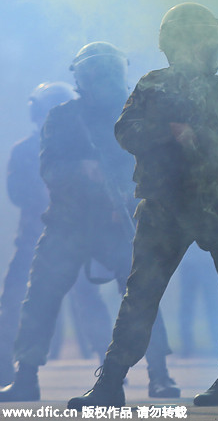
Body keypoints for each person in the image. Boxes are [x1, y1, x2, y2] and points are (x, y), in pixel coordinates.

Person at [67, 3, 218, 410]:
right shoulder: (153, 86)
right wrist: (169, 131)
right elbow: (125, 132)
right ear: (180, 43)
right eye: (202, 39)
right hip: (166, 205)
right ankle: (110, 382)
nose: (210, 48)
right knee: (141, 295)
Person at [0, 45, 178, 403]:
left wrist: (127, 200)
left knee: (142, 298)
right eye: (97, 73)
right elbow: (49, 169)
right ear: (82, 78)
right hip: (69, 224)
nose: (104, 81)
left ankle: (159, 374)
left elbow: (155, 167)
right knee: (40, 298)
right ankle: (27, 374)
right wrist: (83, 172)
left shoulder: (134, 115)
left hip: (117, 225)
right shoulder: (64, 117)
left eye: (109, 72)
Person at [0, 82, 113, 384]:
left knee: (83, 301)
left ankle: (108, 364)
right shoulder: (27, 149)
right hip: (38, 239)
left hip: (69, 236)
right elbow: (17, 194)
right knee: (16, 302)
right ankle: (7, 370)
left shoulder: (78, 148)